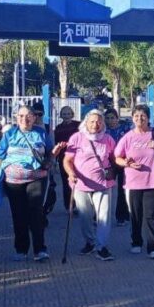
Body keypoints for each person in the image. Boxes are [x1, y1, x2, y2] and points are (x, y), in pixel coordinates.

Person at [0, 104, 54, 262]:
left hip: (37, 178)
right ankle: (21, 249)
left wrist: (50, 162)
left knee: (36, 213)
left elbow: (50, 154)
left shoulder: (41, 133)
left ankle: (40, 250)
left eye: (28, 115)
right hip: (13, 182)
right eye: (21, 116)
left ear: (34, 117)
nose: (25, 119)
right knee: (19, 215)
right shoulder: (9, 135)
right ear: (16, 118)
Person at [114, 104, 154, 259]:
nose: (139, 119)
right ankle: (136, 242)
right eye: (136, 116)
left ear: (148, 118)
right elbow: (117, 158)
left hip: (153, 182)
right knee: (135, 215)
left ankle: (153, 247)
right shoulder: (127, 137)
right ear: (132, 118)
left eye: (143, 116)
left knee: (150, 216)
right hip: (132, 183)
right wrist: (126, 163)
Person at [62, 110, 117, 261]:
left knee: (104, 217)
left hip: (103, 183)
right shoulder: (77, 138)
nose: (95, 124)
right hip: (81, 184)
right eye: (92, 121)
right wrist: (71, 173)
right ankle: (90, 242)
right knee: (85, 218)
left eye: (99, 121)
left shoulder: (108, 139)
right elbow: (67, 160)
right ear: (85, 122)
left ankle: (102, 247)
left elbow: (114, 158)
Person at [104, 108, 130, 226]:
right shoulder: (103, 131)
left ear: (117, 118)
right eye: (108, 118)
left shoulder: (125, 129)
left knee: (122, 190)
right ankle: (99, 216)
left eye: (112, 118)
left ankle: (122, 216)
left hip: (123, 161)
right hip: (109, 163)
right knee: (104, 189)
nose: (110, 121)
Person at [53, 106, 80, 212]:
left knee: (78, 181)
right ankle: (69, 206)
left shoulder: (78, 125)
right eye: (64, 114)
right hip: (63, 158)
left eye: (68, 114)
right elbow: (56, 144)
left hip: (77, 157)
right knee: (66, 182)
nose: (67, 116)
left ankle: (79, 204)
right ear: (61, 115)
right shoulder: (58, 128)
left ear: (72, 114)